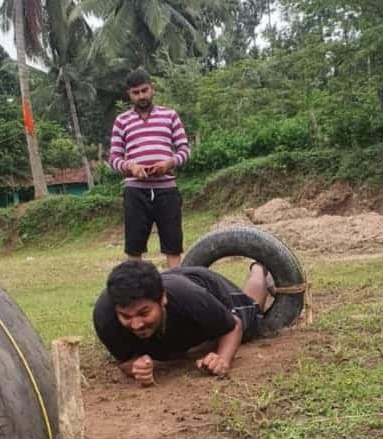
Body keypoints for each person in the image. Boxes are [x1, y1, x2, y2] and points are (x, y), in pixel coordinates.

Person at [93, 259, 269, 385]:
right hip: (180, 291)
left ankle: (259, 268)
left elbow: (234, 326)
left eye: (144, 313)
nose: (136, 324)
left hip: (206, 287)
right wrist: (136, 368)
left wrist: (223, 359)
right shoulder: (105, 318)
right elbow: (124, 361)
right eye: (126, 316)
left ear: (162, 298)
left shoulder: (190, 298)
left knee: (250, 315)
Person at [108, 68, 191, 267]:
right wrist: (131, 167)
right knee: (134, 248)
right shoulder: (121, 121)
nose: (141, 96)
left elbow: (184, 150)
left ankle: (177, 289)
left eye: (144, 90)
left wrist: (169, 163)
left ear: (152, 88)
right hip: (136, 191)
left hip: (167, 190)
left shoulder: (170, 116)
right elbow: (113, 158)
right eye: (136, 93)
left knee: (173, 245)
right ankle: (138, 293)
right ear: (129, 94)